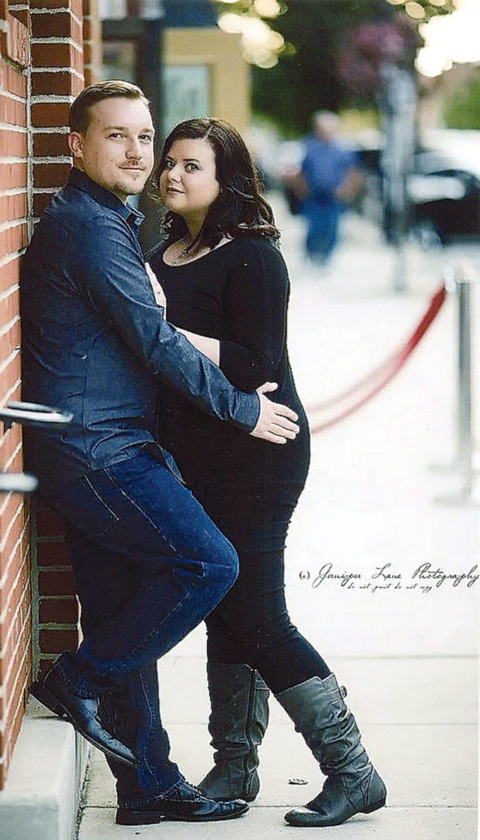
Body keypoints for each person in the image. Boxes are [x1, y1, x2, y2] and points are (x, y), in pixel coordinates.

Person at [20, 81, 300, 826]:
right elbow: (154, 340)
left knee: (122, 608)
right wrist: (242, 409)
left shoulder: (111, 222)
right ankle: (78, 678)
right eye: (117, 135)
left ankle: (147, 785)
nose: (138, 152)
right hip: (98, 450)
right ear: (76, 146)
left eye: (144, 136)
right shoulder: (90, 228)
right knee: (208, 564)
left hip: (98, 443)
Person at [148, 117, 386, 828]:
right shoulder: (162, 255)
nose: (172, 174)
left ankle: (352, 771)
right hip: (196, 457)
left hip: (261, 452)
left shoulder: (253, 258)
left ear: (226, 179)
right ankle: (234, 766)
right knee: (225, 606)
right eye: (169, 162)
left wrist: (158, 327)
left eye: (191, 165)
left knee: (256, 612)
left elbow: (255, 365)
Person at [297, 110, 362, 267]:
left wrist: (347, 189)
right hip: (314, 194)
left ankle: (326, 257)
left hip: (334, 195)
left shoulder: (342, 150)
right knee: (313, 226)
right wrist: (302, 189)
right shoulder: (309, 147)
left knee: (332, 227)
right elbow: (302, 171)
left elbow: (353, 172)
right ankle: (312, 253)